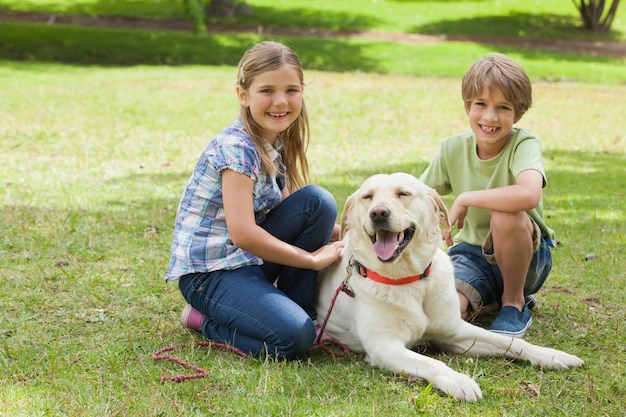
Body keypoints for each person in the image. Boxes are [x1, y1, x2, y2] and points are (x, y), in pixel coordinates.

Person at [165, 41, 344, 359]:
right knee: (294, 341)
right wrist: (313, 260)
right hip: (211, 274)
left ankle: (298, 310)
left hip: (245, 262)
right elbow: (244, 234)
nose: (280, 101)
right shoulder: (236, 148)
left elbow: (294, 210)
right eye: (267, 91)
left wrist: (357, 234)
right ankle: (202, 319)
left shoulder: (273, 142)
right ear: (242, 95)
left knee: (318, 202)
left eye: (291, 90)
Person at [419, 53, 555, 338]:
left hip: (527, 255)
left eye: (503, 107)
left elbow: (529, 194)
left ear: (517, 113)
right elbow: (421, 195)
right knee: (445, 313)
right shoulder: (452, 148)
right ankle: (488, 300)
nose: (490, 117)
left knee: (505, 213)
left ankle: (514, 303)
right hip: (470, 255)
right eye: (480, 104)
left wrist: (466, 197)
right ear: (468, 106)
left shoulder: (524, 144)